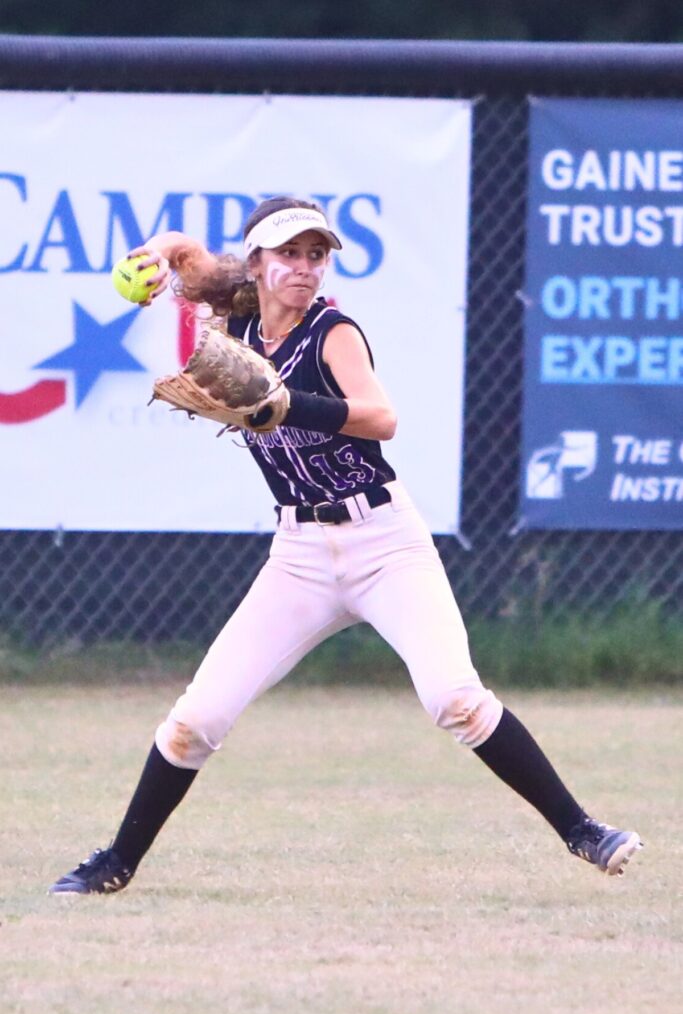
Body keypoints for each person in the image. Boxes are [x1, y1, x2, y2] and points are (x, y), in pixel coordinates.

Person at [50, 197, 642, 894]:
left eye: (315, 254)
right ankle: (116, 862)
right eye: (288, 254)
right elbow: (185, 256)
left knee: (454, 699)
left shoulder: (332, 330)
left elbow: (381, 418)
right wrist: (158, 247)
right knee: (195, 720)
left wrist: (289, 407)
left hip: (383, 541)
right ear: (259, 262)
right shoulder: (233, 319)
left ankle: (583, 832)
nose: (303, 268)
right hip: (299, 553)